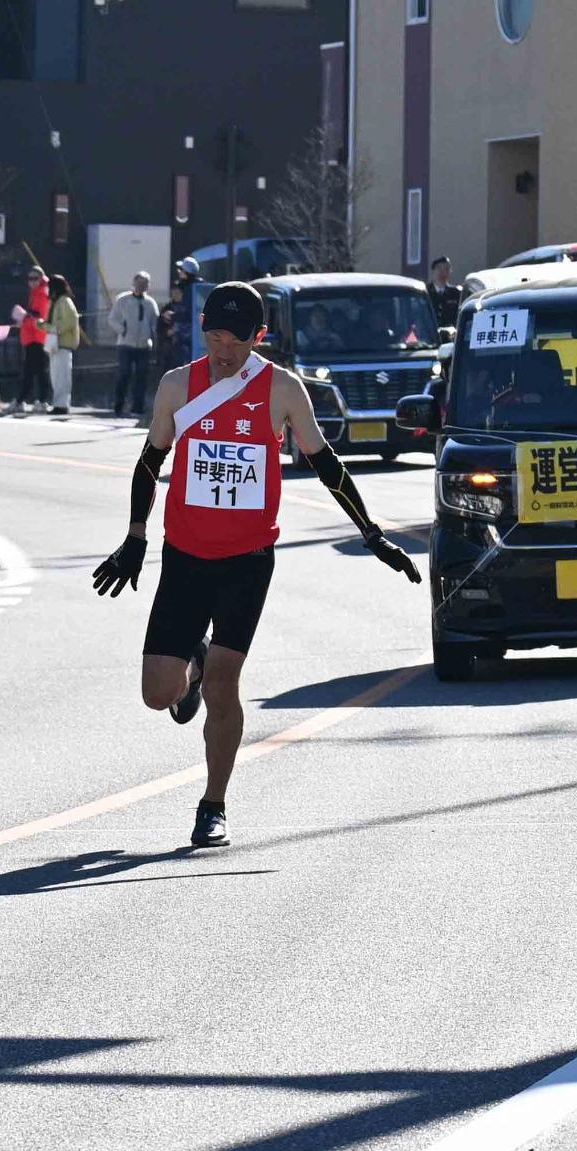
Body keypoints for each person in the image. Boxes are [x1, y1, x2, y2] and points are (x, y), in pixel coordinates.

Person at [90, 282, 423, 848]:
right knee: (157, 693)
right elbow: (149, 463)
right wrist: (135, 536)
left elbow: (326, 464)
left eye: (237, 341)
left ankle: (213, 805)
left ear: (259, 337)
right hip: (185, 556)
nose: (224, 351)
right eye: (215, 337)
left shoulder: (282, 389)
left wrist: (372, 533)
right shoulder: (177, 385)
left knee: (225, 683)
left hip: (247, 562)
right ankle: (191, 665)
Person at [110, 270, 160, 418]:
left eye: (145, 283)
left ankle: (137, 408)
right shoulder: (123, 300)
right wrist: (122, 330)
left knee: (141, 376)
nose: (142, 286)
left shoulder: (150, 303)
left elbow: (155, 322)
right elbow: (113, 319)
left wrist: (152, 337)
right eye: (139, 282)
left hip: (144, 345)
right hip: (125, 344)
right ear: (133, 283)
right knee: (124, 374)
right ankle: (118, 406)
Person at [13, 265, 51, 413]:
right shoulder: (36, 293)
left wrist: (24, 319)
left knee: (36, 371)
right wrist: (25, 319)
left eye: (35, 278)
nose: (31, 281)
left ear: (41, 279)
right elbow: (34, 316)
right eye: (29, 278)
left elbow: (40, 319)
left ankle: (32, 400)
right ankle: (30, 400)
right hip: (32, 338)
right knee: (34, 370)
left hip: (37, 338)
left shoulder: (42, 295)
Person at [47, 273, 81, 415]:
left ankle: (61, 405)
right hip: (56, 345)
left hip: (63, 344)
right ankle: (58, 404)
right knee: (56, 376)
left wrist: (51, 328)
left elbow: (69, 321)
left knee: (61, 377)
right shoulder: (57, 302)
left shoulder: (65, 301)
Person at [426, 256, 462, 330]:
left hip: (450, 333)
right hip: (429, 332)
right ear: (433, 271)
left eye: (446, 269)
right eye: (439, 268)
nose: (443, 272)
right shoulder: (425, 291)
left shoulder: (456, 293)